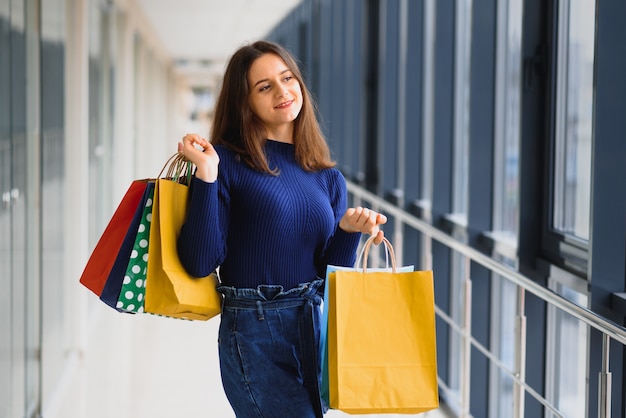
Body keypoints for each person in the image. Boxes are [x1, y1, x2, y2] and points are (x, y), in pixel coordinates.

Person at [176, 40, 386, 418]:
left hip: (313, 328)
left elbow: (327, 277)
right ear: (245, 103)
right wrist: (206, 176)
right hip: (256, 331)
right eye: (264, 87)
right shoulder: (224, 161)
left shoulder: (328, 178)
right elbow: (199, 261)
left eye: (287, 78)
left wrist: (348, 231)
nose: (282, 91)